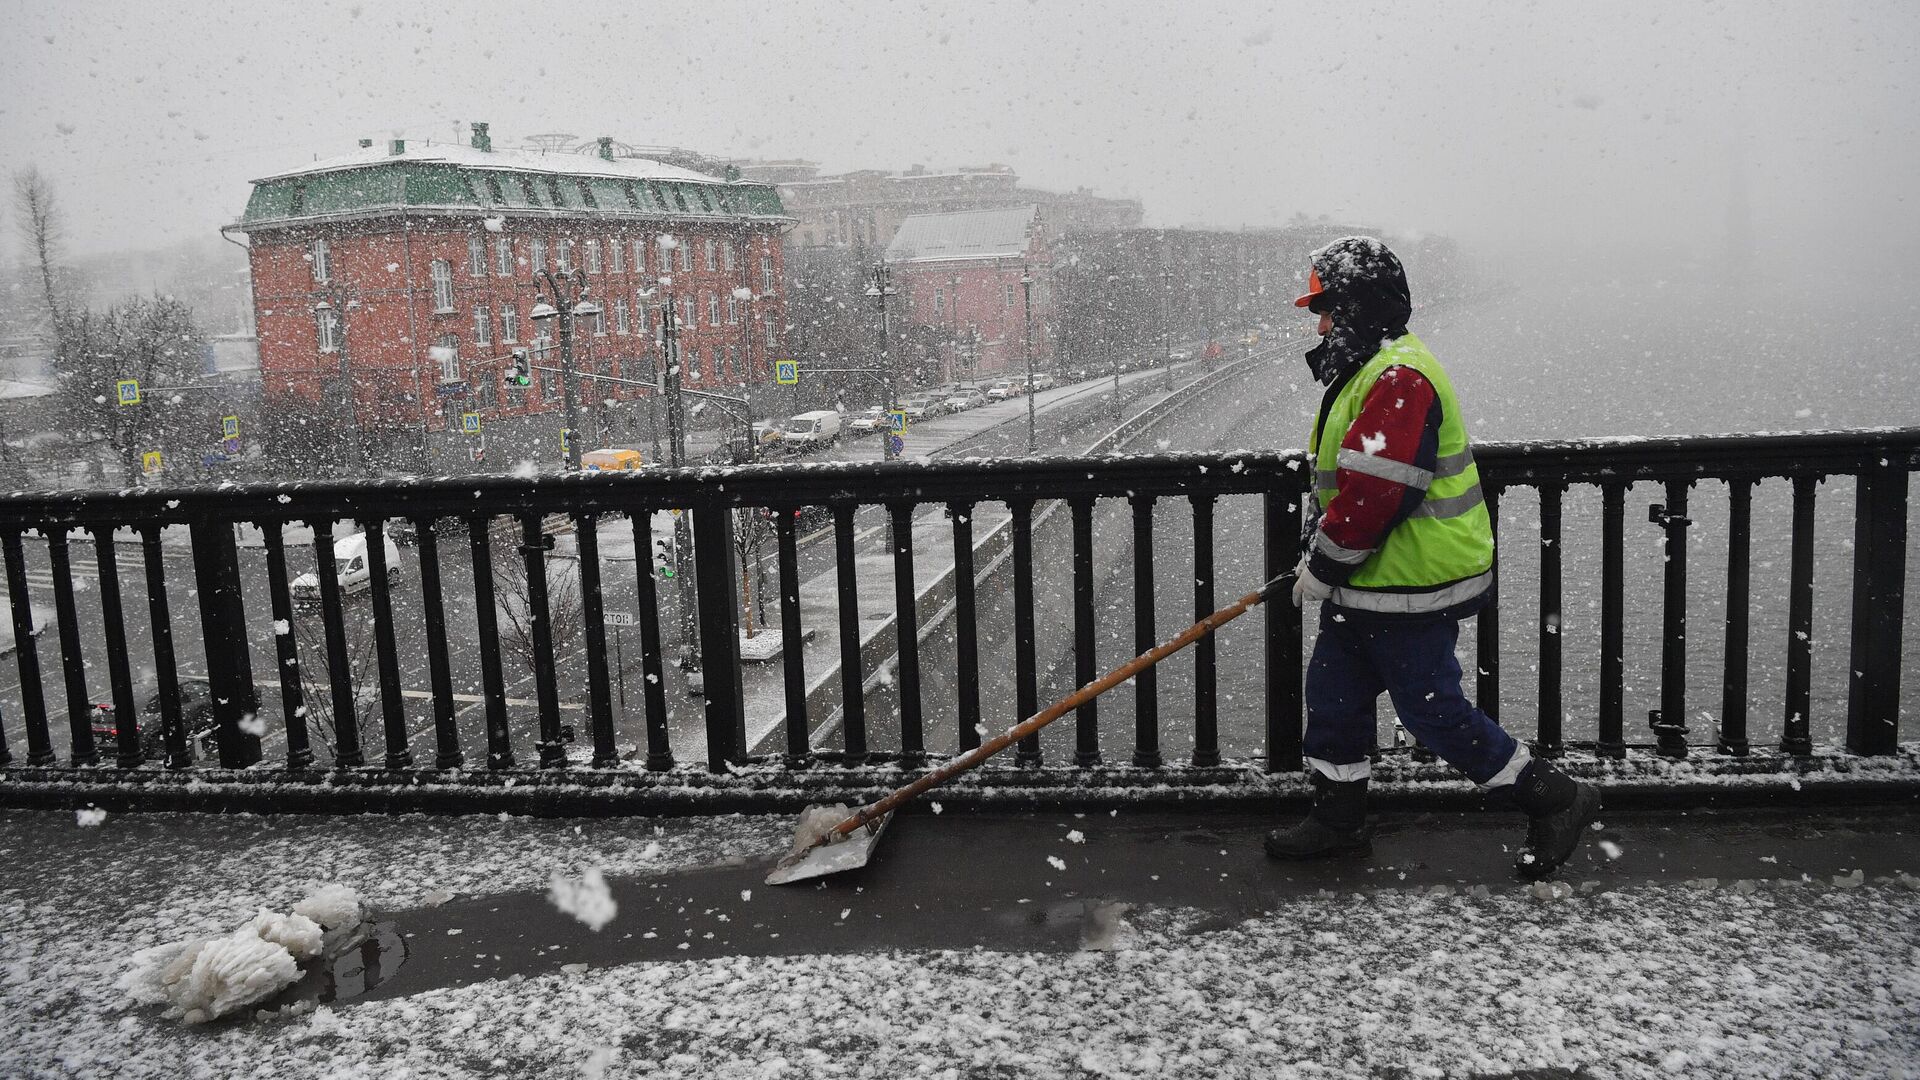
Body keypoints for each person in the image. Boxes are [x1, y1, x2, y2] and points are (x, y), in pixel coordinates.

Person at [1265, 236, 1601, 881]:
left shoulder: (1397, 378)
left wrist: (1324, 564)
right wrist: (1328, 559)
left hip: (1408, 586)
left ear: (1355, 307)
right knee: (1333, 700)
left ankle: (1555, 799)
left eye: (1326, 308)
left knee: (1432, 713)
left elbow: (1375, 492)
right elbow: (1354, 486)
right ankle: (1338, 820)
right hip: (1369, 584)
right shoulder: (1375, 369)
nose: (1319, 323)